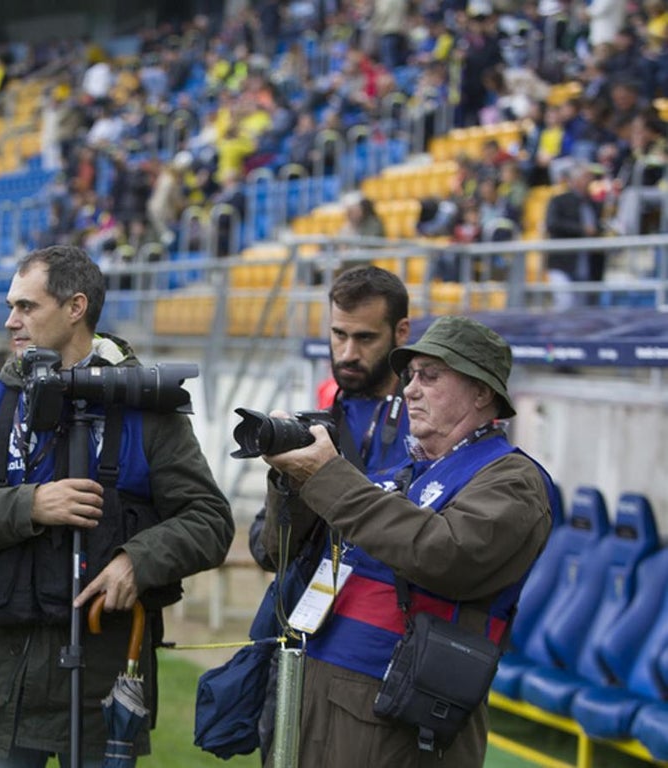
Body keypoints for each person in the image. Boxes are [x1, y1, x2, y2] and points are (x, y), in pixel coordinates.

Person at [0, 244, 234, 766]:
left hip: (101, 684)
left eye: (26, 307)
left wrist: (138, 559)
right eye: (10, 306)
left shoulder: (147, 412)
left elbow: (210, 520)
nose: (10, 322)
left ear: (75, 308)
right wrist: (30, 504)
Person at [259, 315, 555, 767]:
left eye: (430, 377)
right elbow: (275, 552)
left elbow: (444, 555)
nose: (410, 389)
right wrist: (291, 480)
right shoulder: (408, 474)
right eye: (410, 376)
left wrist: (328, 475)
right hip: (329, 694)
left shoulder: (513, 479)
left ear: (482, 393)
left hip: (400, 722)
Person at [249, 265, 412, 762]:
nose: (347, 353)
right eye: (338, 334)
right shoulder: (323, 414)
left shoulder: (427, 421)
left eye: (365, 338)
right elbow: (268, 549)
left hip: (382, 659)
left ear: (401, 334)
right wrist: (287, 480)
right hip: (303, 644)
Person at [544, 163, 607, 310]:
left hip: (587, 263)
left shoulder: (594, 204)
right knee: (565, 303)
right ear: (575, 180)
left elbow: (597, 227)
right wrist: (582, 229)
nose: (590, 181)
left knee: (583, 310)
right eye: (586, 177)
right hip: (563, 262)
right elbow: (552, 224)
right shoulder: (559, 200)